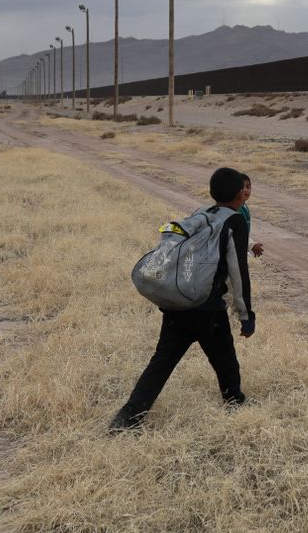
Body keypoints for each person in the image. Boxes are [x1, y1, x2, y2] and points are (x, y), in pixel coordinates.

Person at [110, 167, 256, 431]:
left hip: (176, 305)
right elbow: (238, 272)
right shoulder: (235, 222)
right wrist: (246, 316)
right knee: (225, 358)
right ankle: (234, 401)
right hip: (207, 308)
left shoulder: (201, 213)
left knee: (161, 363)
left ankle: (128, 416)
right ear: (239, 194)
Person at [239, 173, 265, 258]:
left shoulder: (244, 206)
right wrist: (251, 245)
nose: (246, 190)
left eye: (248, 187)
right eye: (242, 187)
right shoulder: (235, 210)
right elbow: (236, 234)